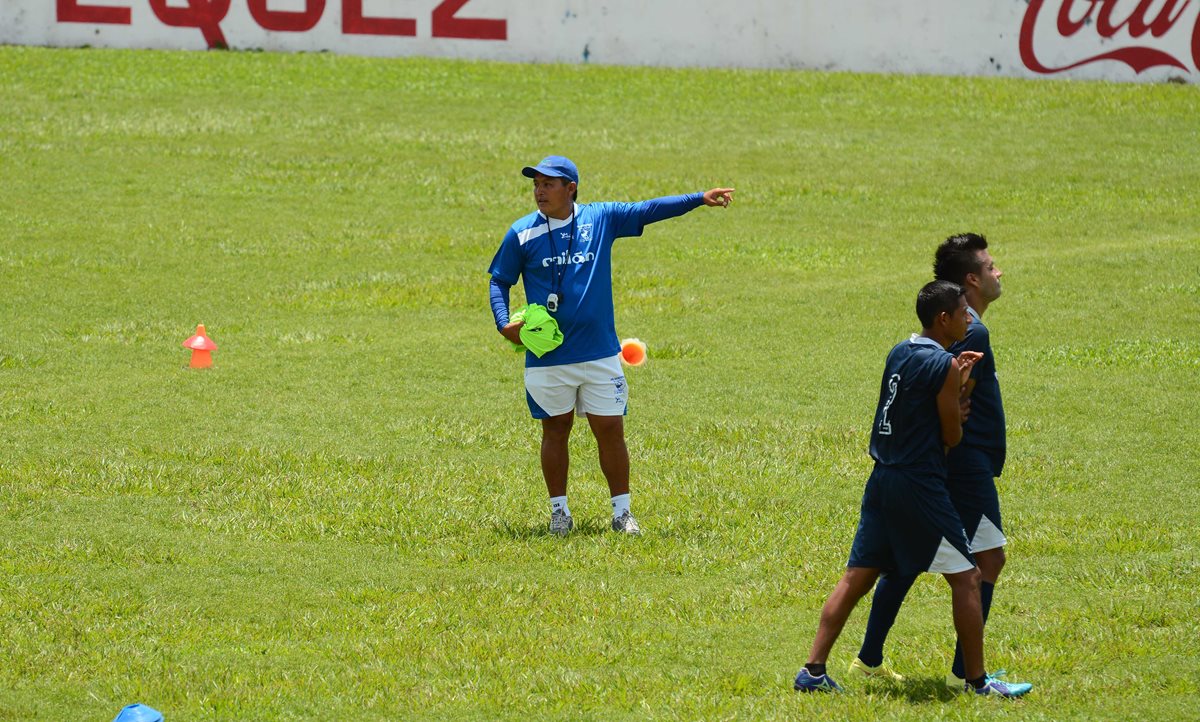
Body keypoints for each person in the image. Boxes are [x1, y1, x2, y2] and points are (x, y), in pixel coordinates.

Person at [792, 280, 1031, 698]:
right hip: (919, 484)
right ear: (944, 319)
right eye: (962, 313)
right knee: (969, 578)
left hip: (882, 478)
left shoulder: (901, 350)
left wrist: (956, 379)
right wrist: (958, 394)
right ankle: (977, 682)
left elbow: (907, 407)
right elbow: (952, 436)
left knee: (857, 576)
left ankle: (812, 670)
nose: (968, 319)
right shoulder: (942, 366)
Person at [488, 155, 734, 536]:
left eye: (548, 184)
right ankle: (559, 513)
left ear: (571, 188)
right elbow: (498, 280)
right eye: (536, 183)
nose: (539, 190)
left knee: (610, 430)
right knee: (555, 430)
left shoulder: (599, 219)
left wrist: (698, 198)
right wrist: (504, 324)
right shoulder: (521, 233)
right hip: (547, 357)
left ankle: (622, 514)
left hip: (600, 353)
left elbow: (648, 209)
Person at [849, 233, 1025, 690]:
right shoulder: (971, 333)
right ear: (971, 279)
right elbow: (936, 385)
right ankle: (970, 674)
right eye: (990, 266)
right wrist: (947, 417)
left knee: (905, 561)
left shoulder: (957, 329)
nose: (998, 271)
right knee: (982, 561)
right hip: (963, 467)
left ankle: (871, 658)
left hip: (952, 464)